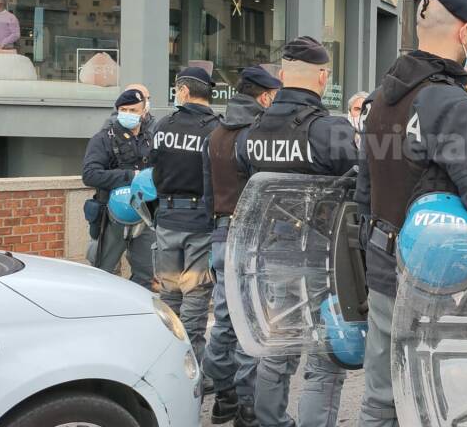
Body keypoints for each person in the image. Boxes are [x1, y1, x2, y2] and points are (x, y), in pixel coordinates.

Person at [355, 0, 467, 427]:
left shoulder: (380, 100)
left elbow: (364, 190)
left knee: (380, 397)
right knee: (441, 402)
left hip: (384, 265)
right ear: (465, 32)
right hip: (438, 277)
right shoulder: (447, 101)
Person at [237, 37, 359, 427]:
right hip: (323, 261)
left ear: (284, 76)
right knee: (325, 361)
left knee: (279, 349)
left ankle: (270, 421)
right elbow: (361, 187)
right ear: (323, 77)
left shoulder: (252, 132)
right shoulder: (330, 130)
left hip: (272, 257)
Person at [202, 66, 280, 427]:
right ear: (264, 96)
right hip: (251, 237)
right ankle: (247, 407)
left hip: (220, 232)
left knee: (223, 322)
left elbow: (208, 193)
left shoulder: (215, 132)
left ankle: (224, 397)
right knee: (250, 321)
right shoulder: (256, 134)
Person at [150, 67, 220, 372]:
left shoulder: (163, 125)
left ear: (184, 91)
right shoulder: (216, 129)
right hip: (200, 221)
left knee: (168, 294)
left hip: (166, 219)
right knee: (195, 297)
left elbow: (154, 168)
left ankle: (165, 361)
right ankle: (190, 367)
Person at [81, 88, 154, 288]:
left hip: (145, 214)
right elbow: (90, 175)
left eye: (133, 110)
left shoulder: (150, 137)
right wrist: (131, 176)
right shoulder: (103, 138)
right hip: (111, 214)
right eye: (124, 109)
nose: (128, 114)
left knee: (147, 273)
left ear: (144, 112)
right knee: (102, 272)